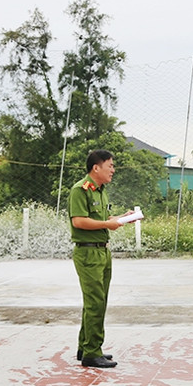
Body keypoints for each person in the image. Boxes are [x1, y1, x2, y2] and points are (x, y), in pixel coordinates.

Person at [68, 149, 135, 369]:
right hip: (88, 253)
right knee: (95, 301)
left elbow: (104, 219)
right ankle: (91, 353)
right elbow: (79, 221)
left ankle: (86, 347)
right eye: (110, 166)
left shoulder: (100, 191)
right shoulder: (81, 190)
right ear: (96, 168)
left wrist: (121, 219)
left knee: (98, 300)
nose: (113, 170)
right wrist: (108, 224)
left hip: (102, 251)